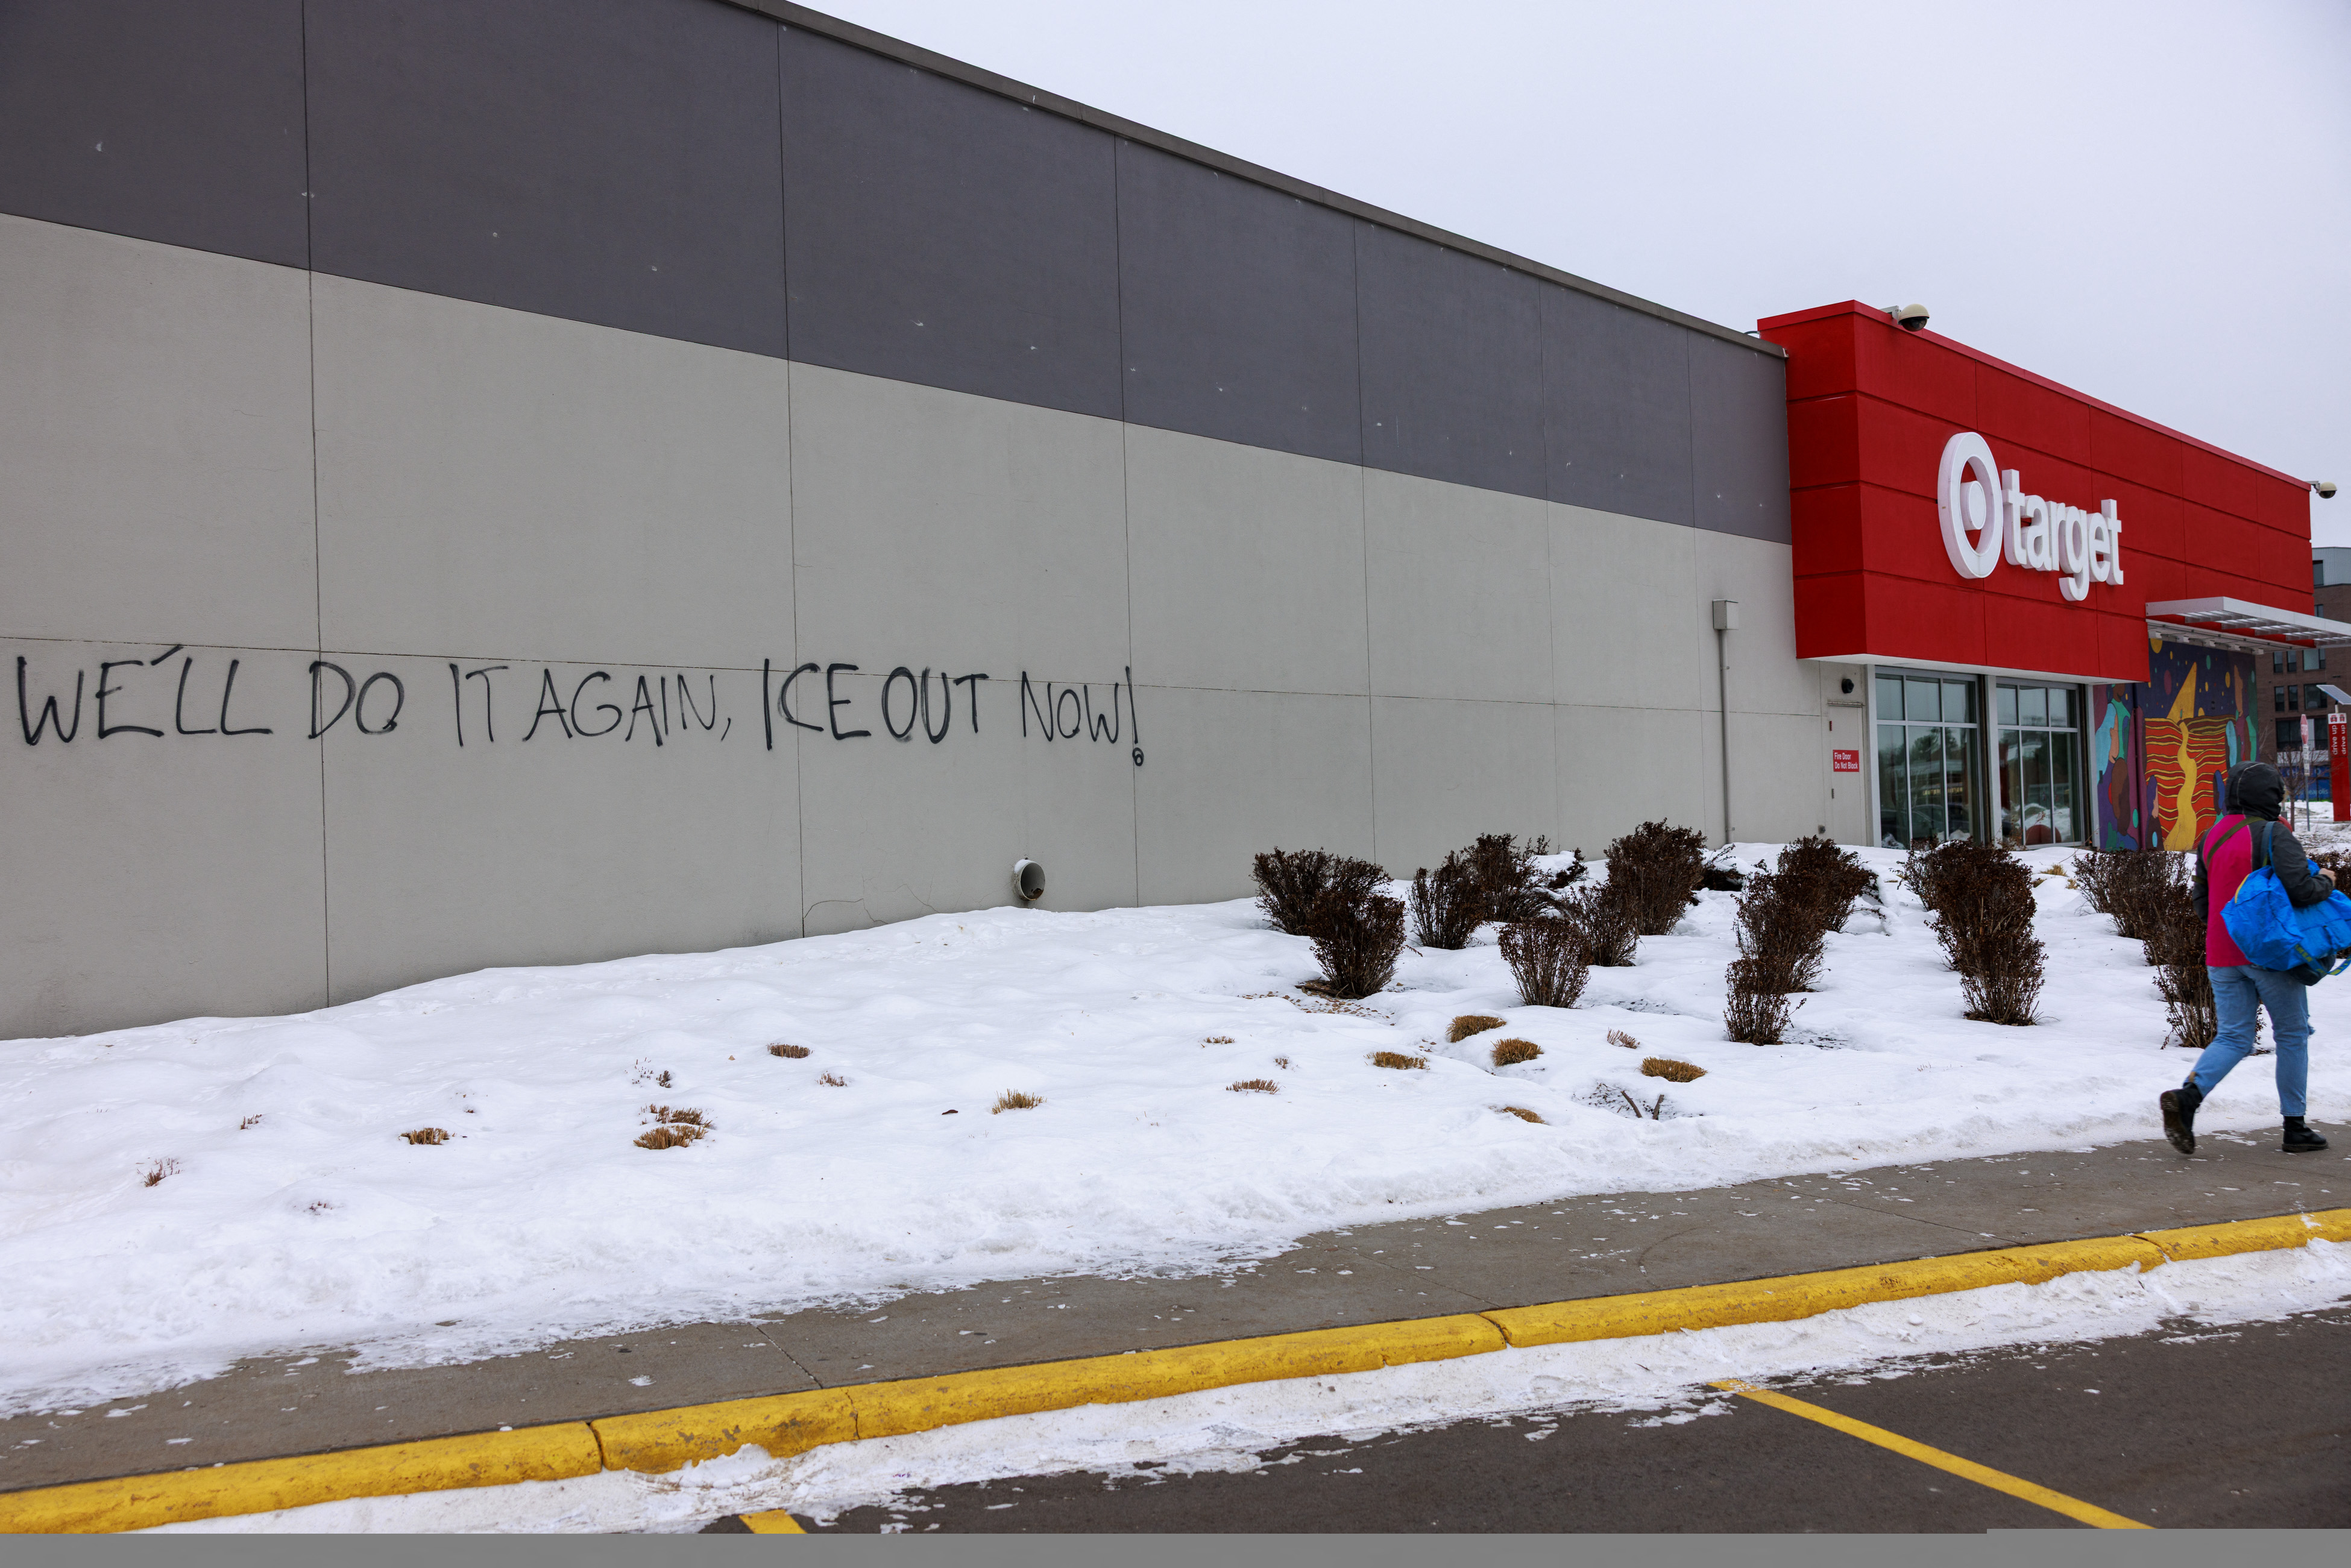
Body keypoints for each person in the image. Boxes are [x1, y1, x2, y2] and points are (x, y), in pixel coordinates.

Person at [2161, 763, 2333, 1156]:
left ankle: (2187, 1098)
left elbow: (2201, 899)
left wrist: (2228, 932)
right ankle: (2295, 1127)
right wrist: (2327, 880)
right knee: (2292, 1033)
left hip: (2221, 952)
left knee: (2235, 1036)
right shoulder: (2275, 833)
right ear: (2268, 796)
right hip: (2269, 953)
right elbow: (2302, 890)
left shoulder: (2210, 836)